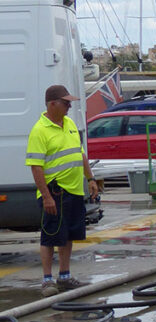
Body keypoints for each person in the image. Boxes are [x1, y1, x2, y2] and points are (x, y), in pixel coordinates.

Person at [25, 84, 99, 297]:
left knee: (69, 234)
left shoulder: (69, 124)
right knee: (50, 235)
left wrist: (90, 178)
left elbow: (80, 153)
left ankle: (64, 276)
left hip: (74, 190)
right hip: (54, 191)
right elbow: (36, 166)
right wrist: (46, 196)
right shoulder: (40, 130)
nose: (69, 106)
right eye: (66, 103)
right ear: (52, 104)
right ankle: (48, 280)